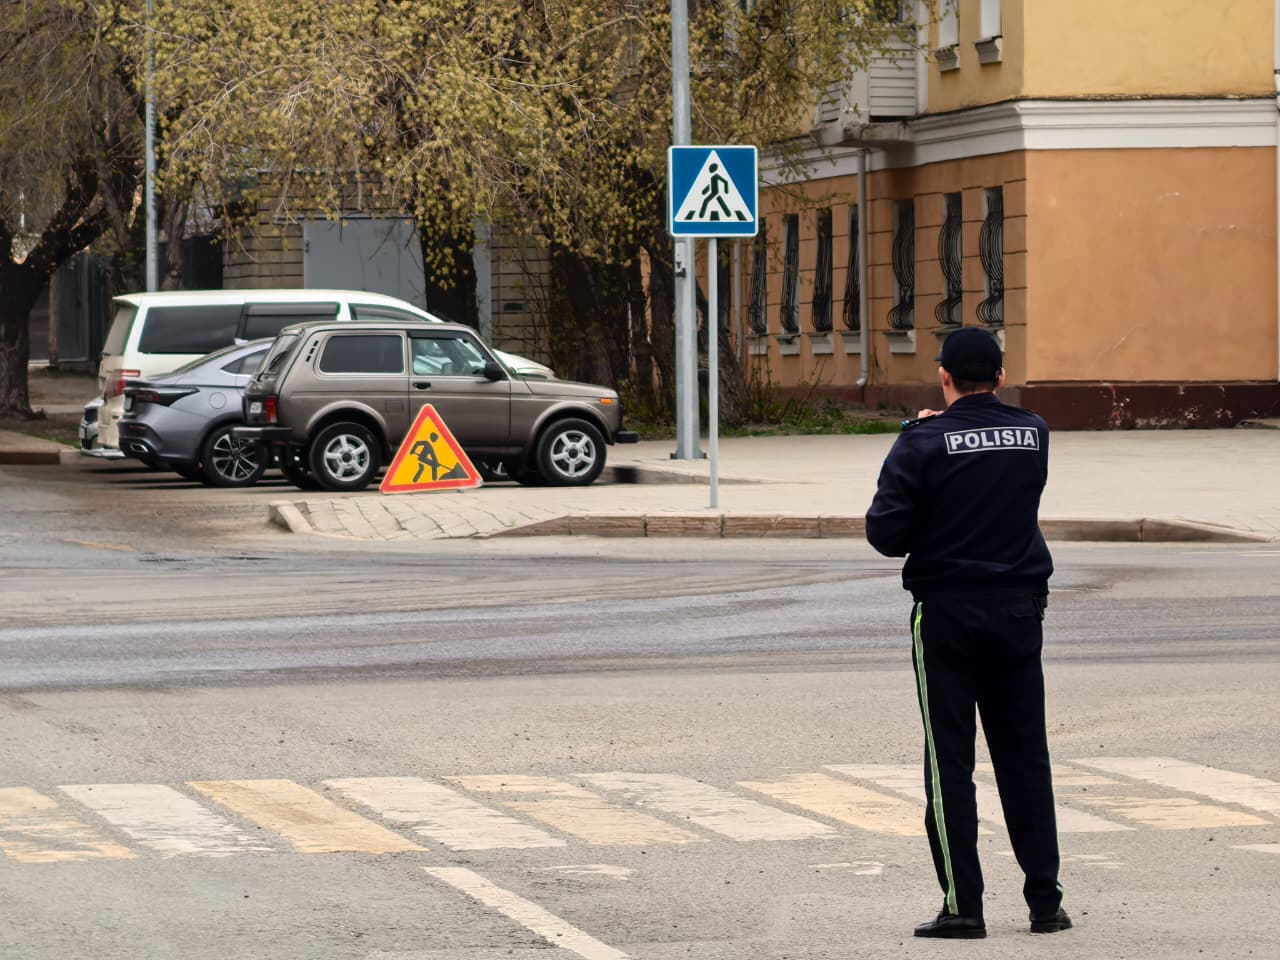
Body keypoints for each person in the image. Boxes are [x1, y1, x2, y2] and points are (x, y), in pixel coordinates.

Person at [865, 326, 1071, 940]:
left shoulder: (922, 442)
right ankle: (1045, 904)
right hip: (1018, 612)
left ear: (944, 377)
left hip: (948, 614)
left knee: (949, 763)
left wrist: (915, 438)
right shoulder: (1034, 432)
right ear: (1001, 377)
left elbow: (886, 535)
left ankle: (964, 908)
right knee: (1025, 758)